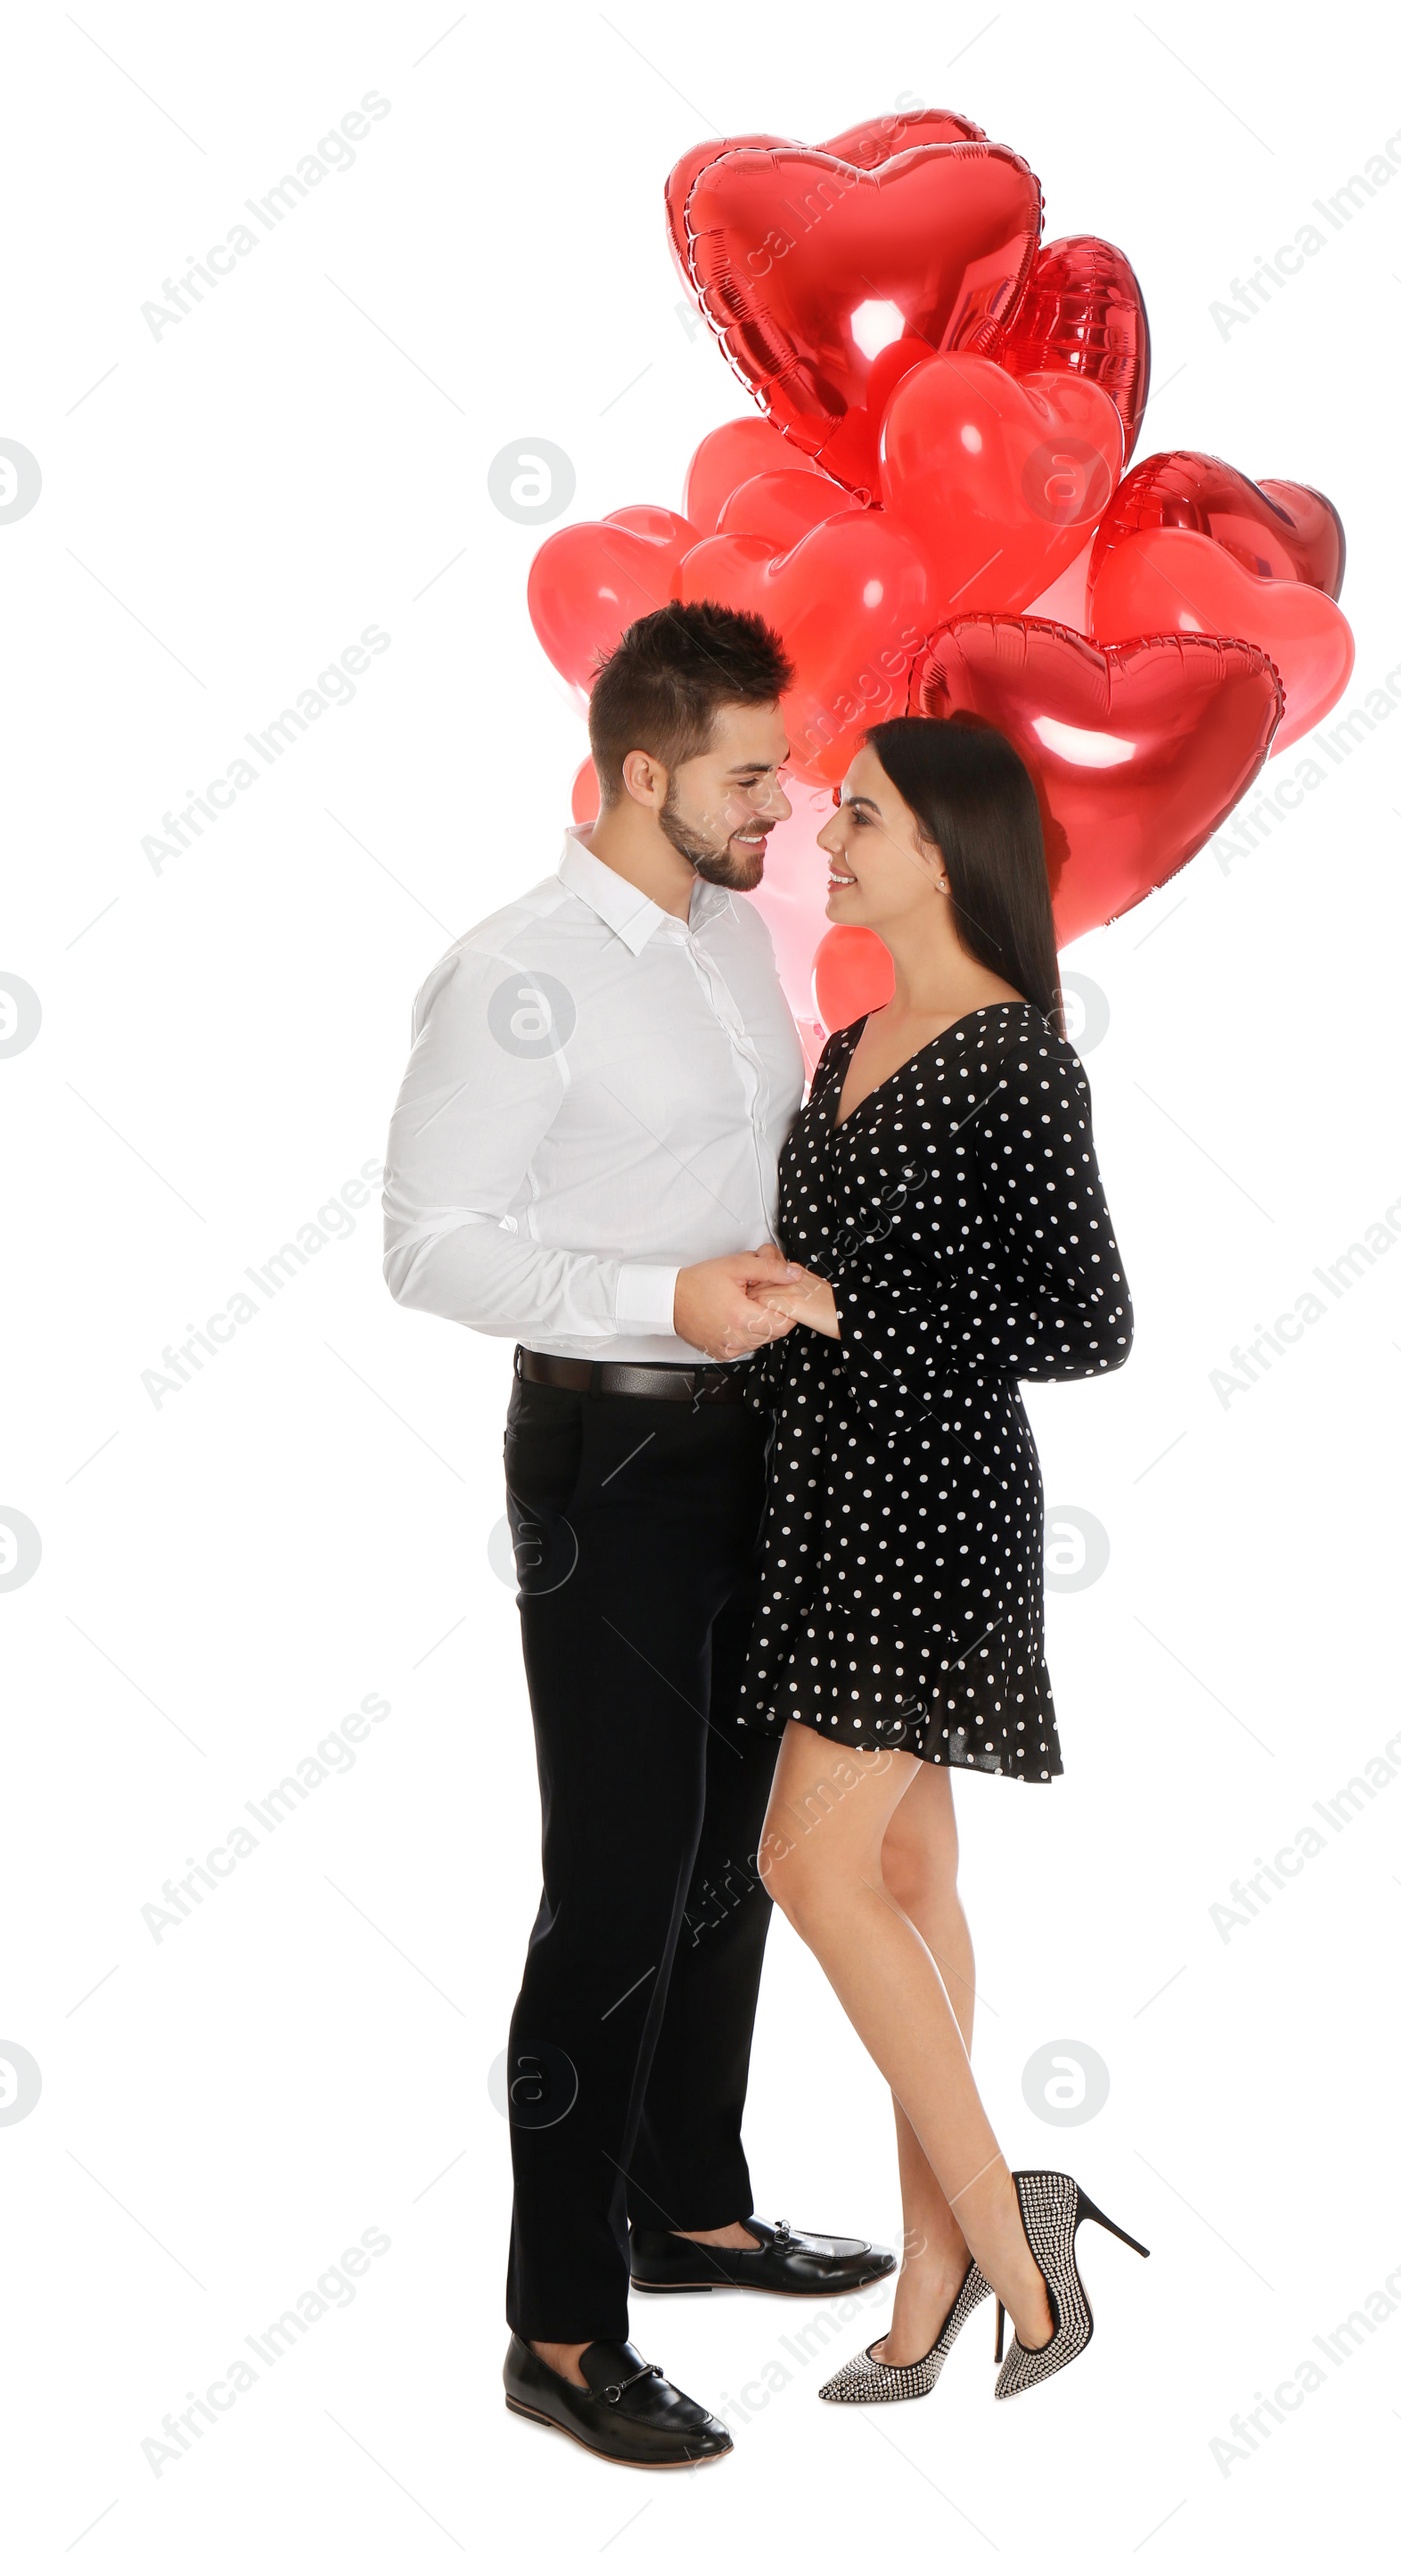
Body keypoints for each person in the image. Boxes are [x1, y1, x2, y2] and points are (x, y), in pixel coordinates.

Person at [381, 601, 893, 2471]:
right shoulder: (515, 971)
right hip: (607, 1464)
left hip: (765, 1442)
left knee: (727, 1856)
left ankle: (690, 2210)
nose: (785, 804)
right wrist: (661, 1295)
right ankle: (560, 2327)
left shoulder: (724, 942)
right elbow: (425, 1243)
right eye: (755, 775)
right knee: (612, 1881)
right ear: (649, 771)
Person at [736, 714, 1150, 2405]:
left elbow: (1089, 1322)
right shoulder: (845, 1047)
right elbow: (818, 1270)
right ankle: (930, 2276)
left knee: (804, 1869)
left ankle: (1010, 2243)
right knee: (901, 1885)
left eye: (867, 819)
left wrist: (853, 1307)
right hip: (826, 1490)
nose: (829, 840)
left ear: (948, 851)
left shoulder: (1017, 1057)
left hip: (935, 1507)